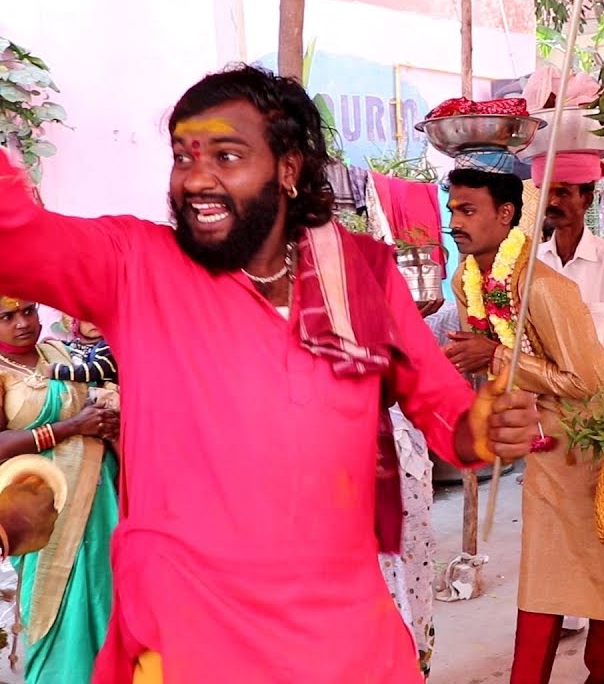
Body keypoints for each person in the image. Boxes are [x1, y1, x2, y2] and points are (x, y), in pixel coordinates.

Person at [0, 64, 544, 683]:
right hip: (186, 643)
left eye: (226, 156)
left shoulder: (358, 273)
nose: (196, 179)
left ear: (287, 169)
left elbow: (444, 410)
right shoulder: (135, 264)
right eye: (182, 157)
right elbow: (15, 238)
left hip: (341, 642)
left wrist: (484, 426)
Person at [442, 166, 604, 684]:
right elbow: (487, 359)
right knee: (544, 576)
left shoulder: (544, 288)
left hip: (594, 444)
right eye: (452, 210)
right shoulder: (469, 281)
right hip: (543, 442)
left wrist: (499, 353)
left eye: (467, 211)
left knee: (603, 574)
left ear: (505, 215)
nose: (454, 222)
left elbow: (589, 384)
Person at [0, 297, 120, 682]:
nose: (22, 323)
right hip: (39, 515)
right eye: (7, 316)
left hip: (100, 500)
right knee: (53, 613)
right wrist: (71, 428)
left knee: (106, 596)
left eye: (29, 311)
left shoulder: (59, 351)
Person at [533, 152, 604, 382]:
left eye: (563, 192)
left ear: (587, 200)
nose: (552, 201)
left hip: (602, 399)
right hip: (549, 398)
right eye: (547, 192)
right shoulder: (534, 261)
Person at [46, 318, 119, 388]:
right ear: (76, 324)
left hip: (100, 395)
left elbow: (93, 371)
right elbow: (70, 348)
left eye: (100, 319)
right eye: (87, 320)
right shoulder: (76, 343)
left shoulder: (108, 347)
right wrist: (56, 344)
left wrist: (59, 371)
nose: (94, 323)